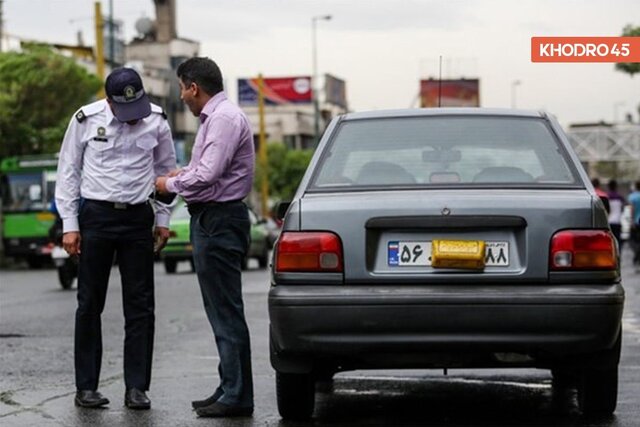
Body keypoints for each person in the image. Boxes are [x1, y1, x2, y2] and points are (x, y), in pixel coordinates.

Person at [55, 67, 176, 410]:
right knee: (90, 304)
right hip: (96, 217)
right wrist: (70, 223)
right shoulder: (84, 120)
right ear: (107, 101)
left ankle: (137, 387)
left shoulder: (157, 120)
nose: (132, 119)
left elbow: (166, 172)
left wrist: (163, 220)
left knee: (140, 307)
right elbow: (68, 172)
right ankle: (86, 387)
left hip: (138, 219)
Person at [155, 57, 255, 418]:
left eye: (182, 88)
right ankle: (230, 386)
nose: (182, 96)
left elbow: (209, 175)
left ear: (193, 87)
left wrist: (168, 183)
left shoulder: (224, 119)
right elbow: (204, 169)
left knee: (226, 310)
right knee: (219, 310)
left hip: (219, 219)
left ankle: (237, 393)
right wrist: (184, 173)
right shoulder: (215, 119)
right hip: (211, 218)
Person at [607, 179, 625, 245]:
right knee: (618, 241)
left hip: (609, 221)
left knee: (610, 241)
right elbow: (622, 209)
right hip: (617, 221)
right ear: (616, 186)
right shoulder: (620, 197)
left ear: (608, 186)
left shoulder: (606, 196)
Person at [628, 180, 640, 265]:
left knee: (633, 240)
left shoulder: (632, 196)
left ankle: (637, 256)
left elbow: (632, 209)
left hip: (636, 221)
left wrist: (631, 221)